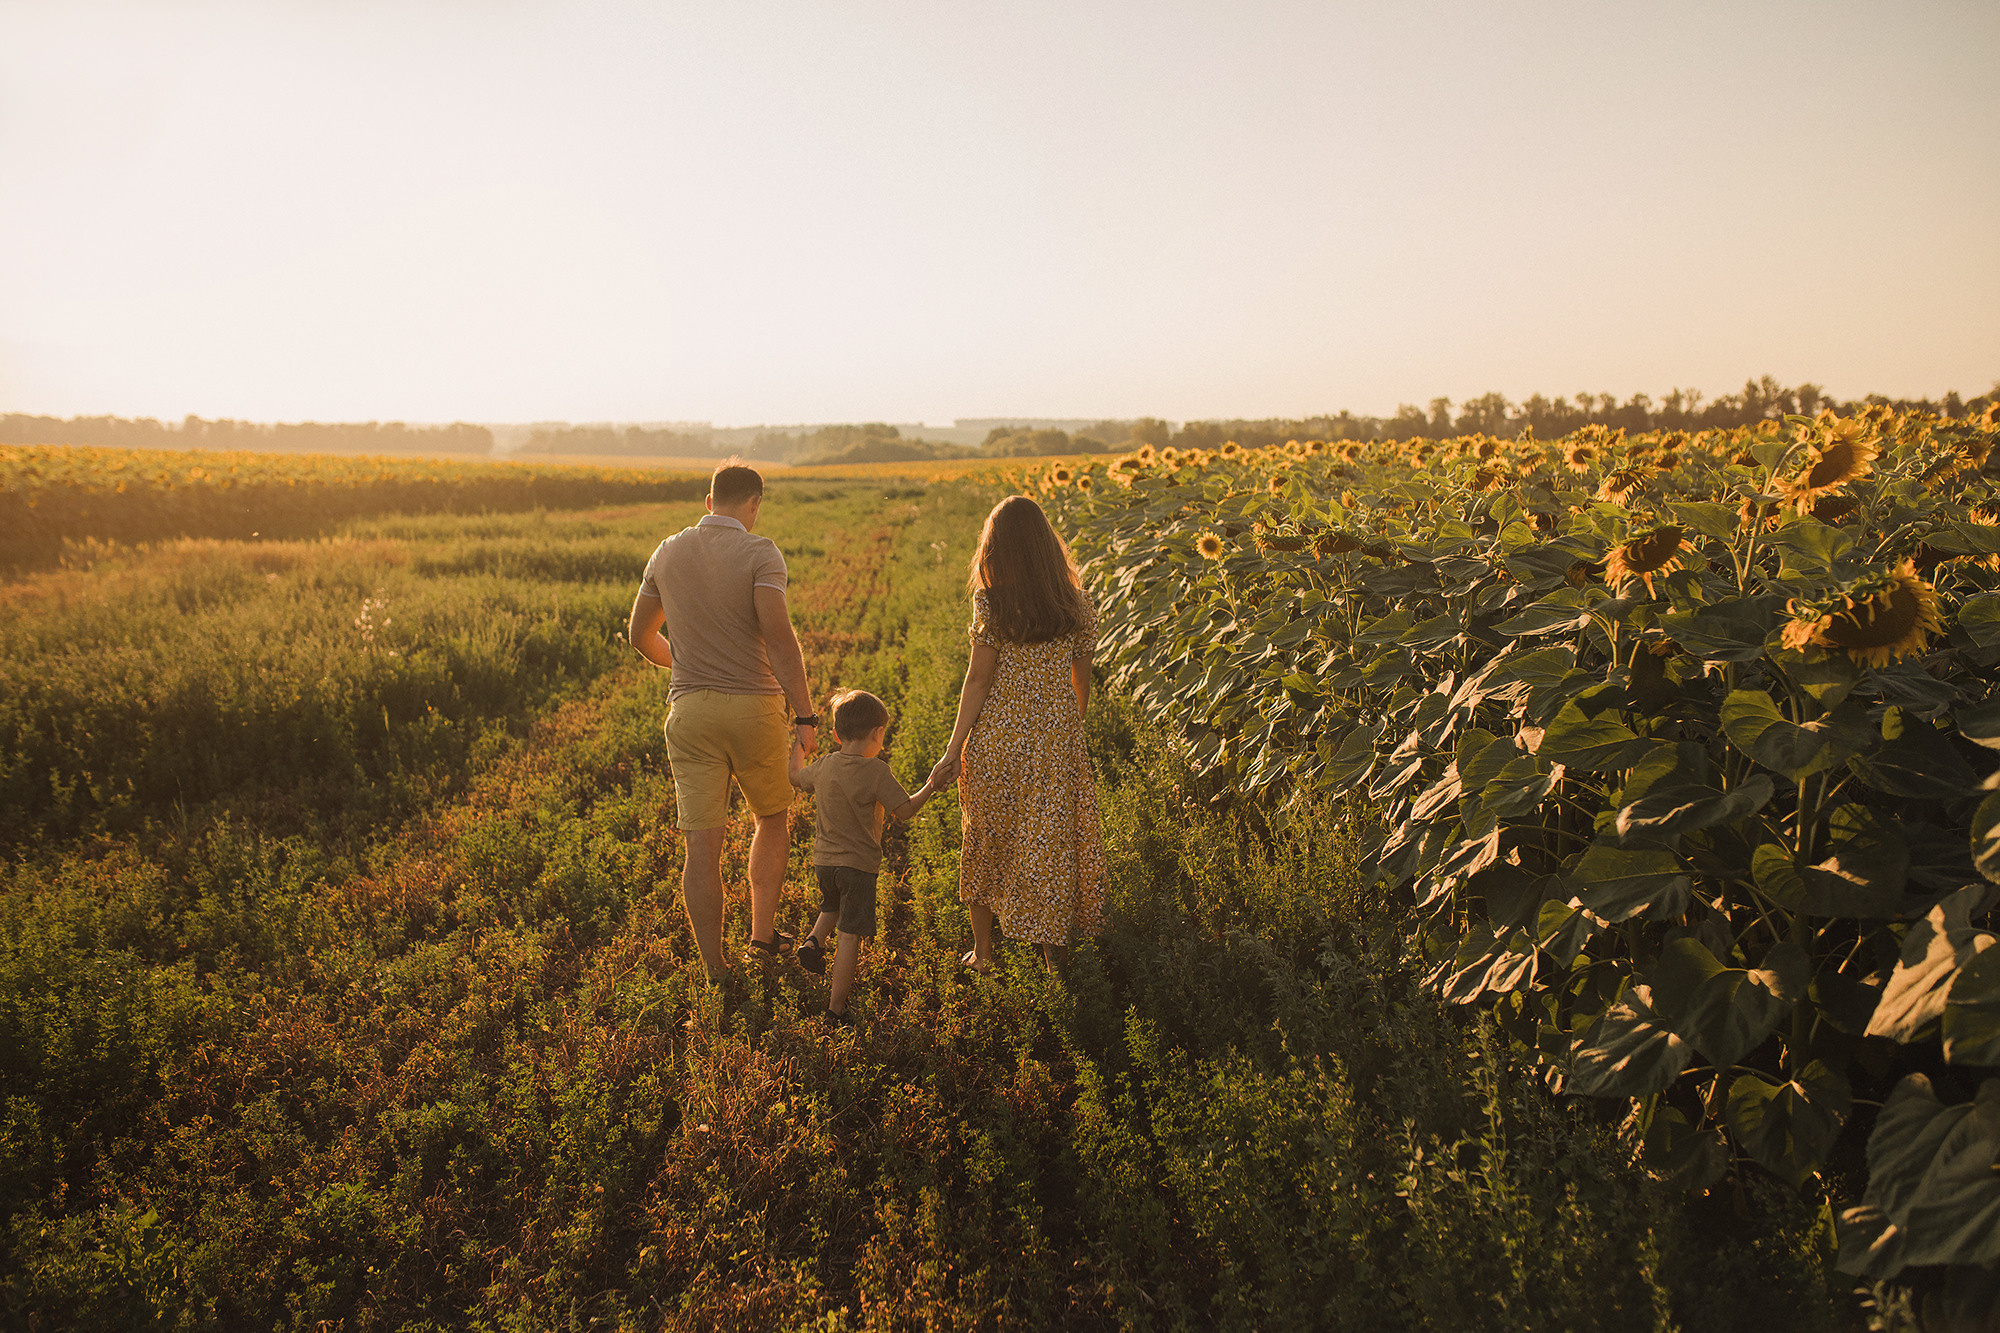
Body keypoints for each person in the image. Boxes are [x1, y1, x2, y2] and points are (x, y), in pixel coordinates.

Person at [627, 462, 818, 983]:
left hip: (689, 713)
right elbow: (779, 639)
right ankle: (761, 935)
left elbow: (639, 635)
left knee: (701, 845)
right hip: (754, 709)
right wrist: (805, 715)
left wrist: (687, 664)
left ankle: (714, 968)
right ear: (754, 504)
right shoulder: (761, 553)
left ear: (709, 501)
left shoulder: (667, 551)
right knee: (771, 820)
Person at [928, 495, 1105, 971]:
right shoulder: (1077, 604)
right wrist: (1068, 728)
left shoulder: (991, 602)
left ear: (997, 548)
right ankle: (1054, 963)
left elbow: (978, 680)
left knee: (986, 838)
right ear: (1047, 546)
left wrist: (954, 748)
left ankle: (983, 954)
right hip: (1053, 744)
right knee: (1051, 845)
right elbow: (1081, 680)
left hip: (997, 742)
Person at [789, 688, 939, 1021]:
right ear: (877, 734)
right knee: (848, 936)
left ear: (835, 735)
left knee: (832, 904)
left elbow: (795, 777)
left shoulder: (825, 765)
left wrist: (798, 749)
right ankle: (836, 1009)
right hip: (857, 867)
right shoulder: (876, 772)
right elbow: (905, 811)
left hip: (824, 862)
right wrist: (930, 784)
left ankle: (813, 942)